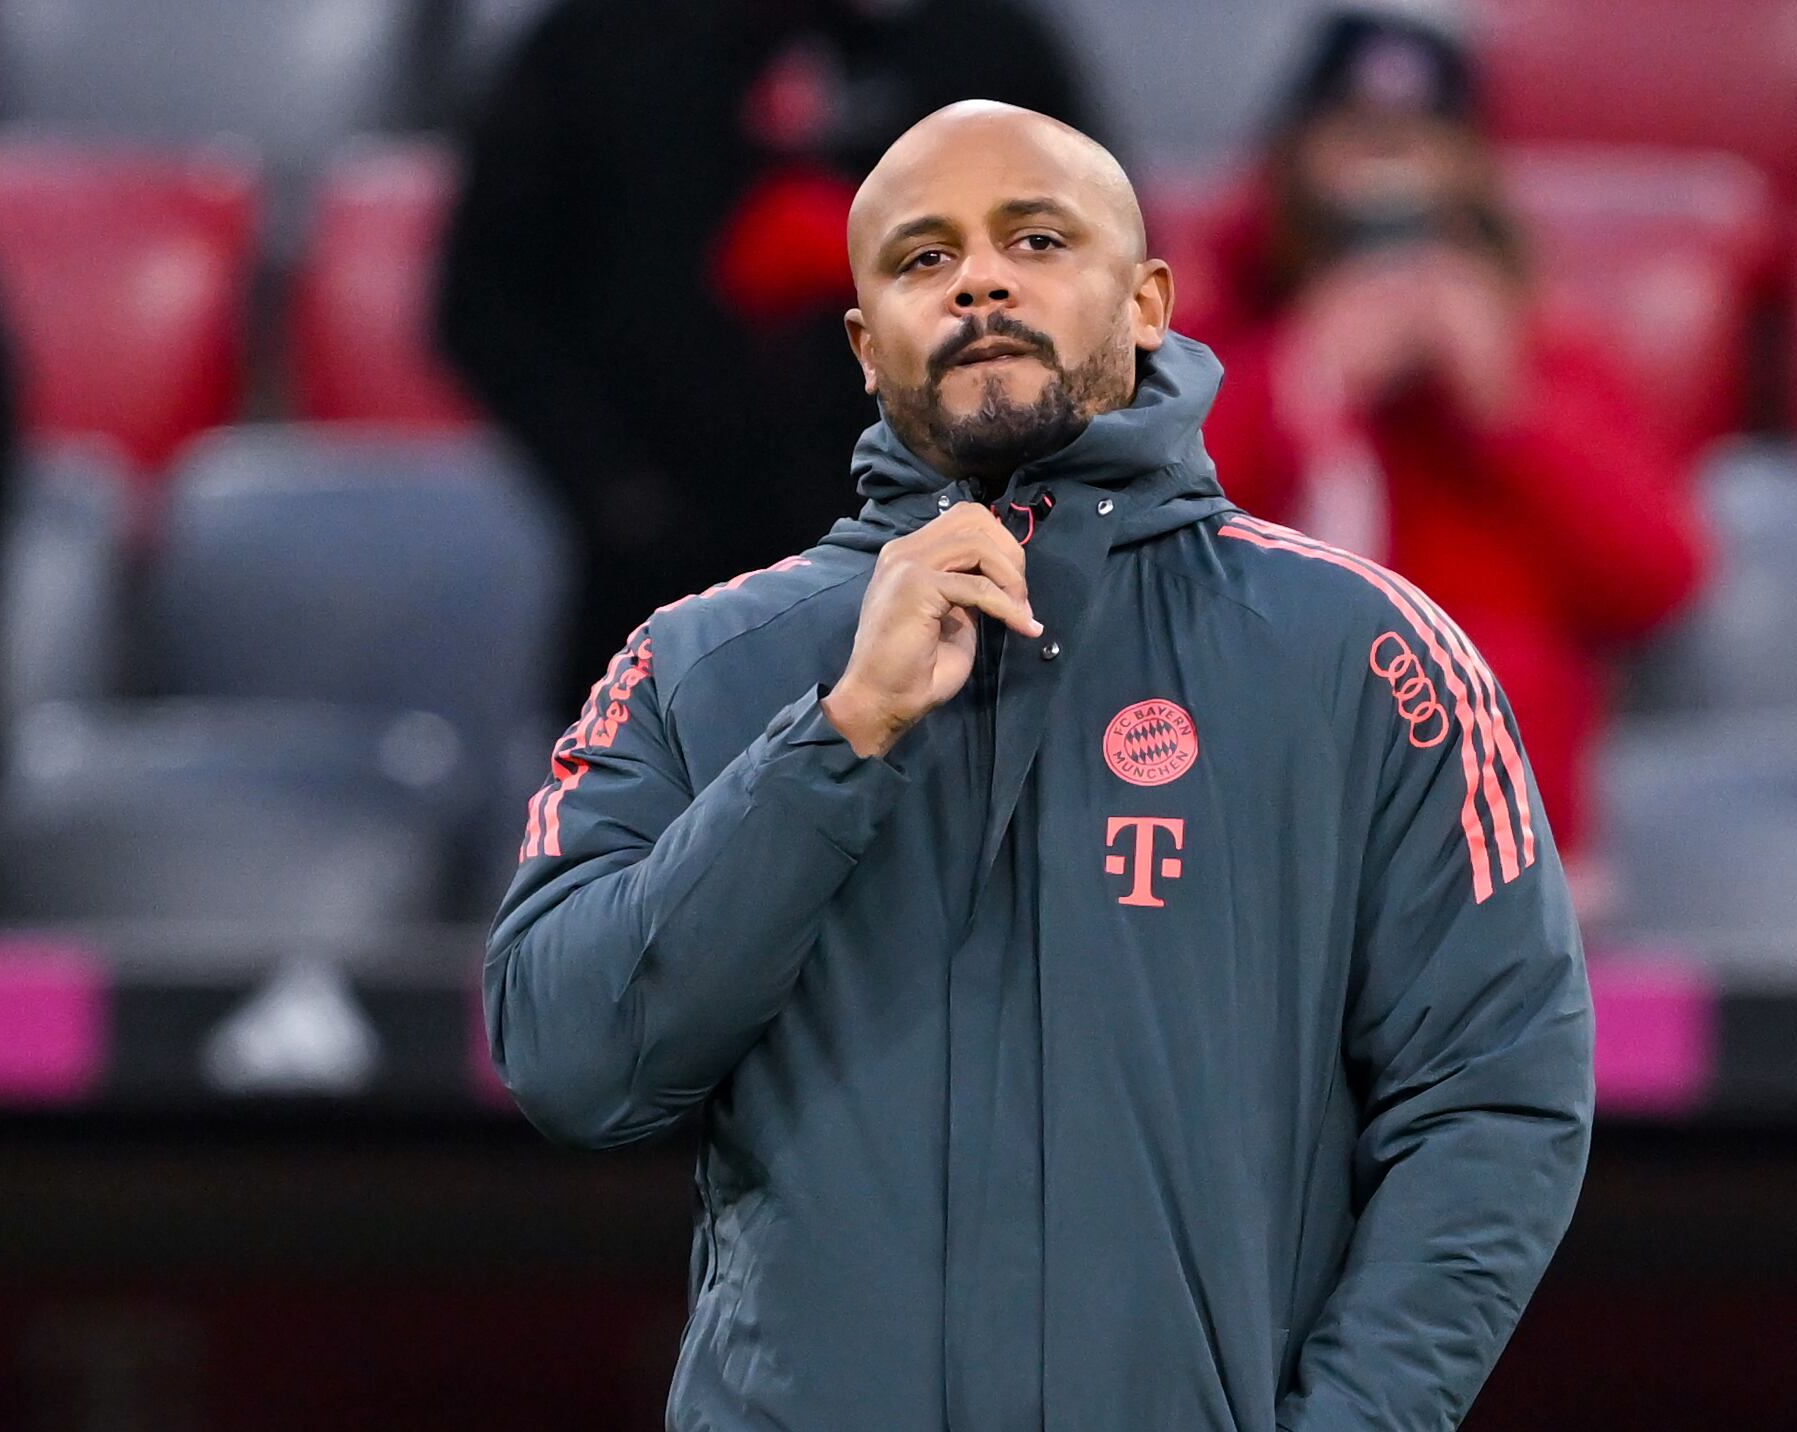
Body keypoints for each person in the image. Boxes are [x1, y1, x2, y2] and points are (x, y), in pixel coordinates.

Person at [486, 101, 1592, 1430]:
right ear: (862, 343)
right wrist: (834, 743)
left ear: (1146, 303)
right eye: (920, 258)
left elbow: (1494, 1102)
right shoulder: (704, 662)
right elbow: (565, 1059)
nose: (980, 279)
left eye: (1036, 238)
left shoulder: (1369, 660)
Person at [436, 0, 1099, 703]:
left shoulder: (982, 46)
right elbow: (483, 303)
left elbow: (1100, 282)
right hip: (655, 591)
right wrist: (617, 495)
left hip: (947, 572)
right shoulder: (594, 43)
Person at [1196, 10, 1708, 886]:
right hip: (1256, 829)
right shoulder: (1215, 349)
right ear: (1292, 157)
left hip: (1502, 840)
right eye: (1354, 141)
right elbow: (1133, 546)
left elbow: (1658, 580)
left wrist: (1507, 412)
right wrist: (1295, 385)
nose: (1385, 179)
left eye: (1417, 144)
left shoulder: (1550, 364)